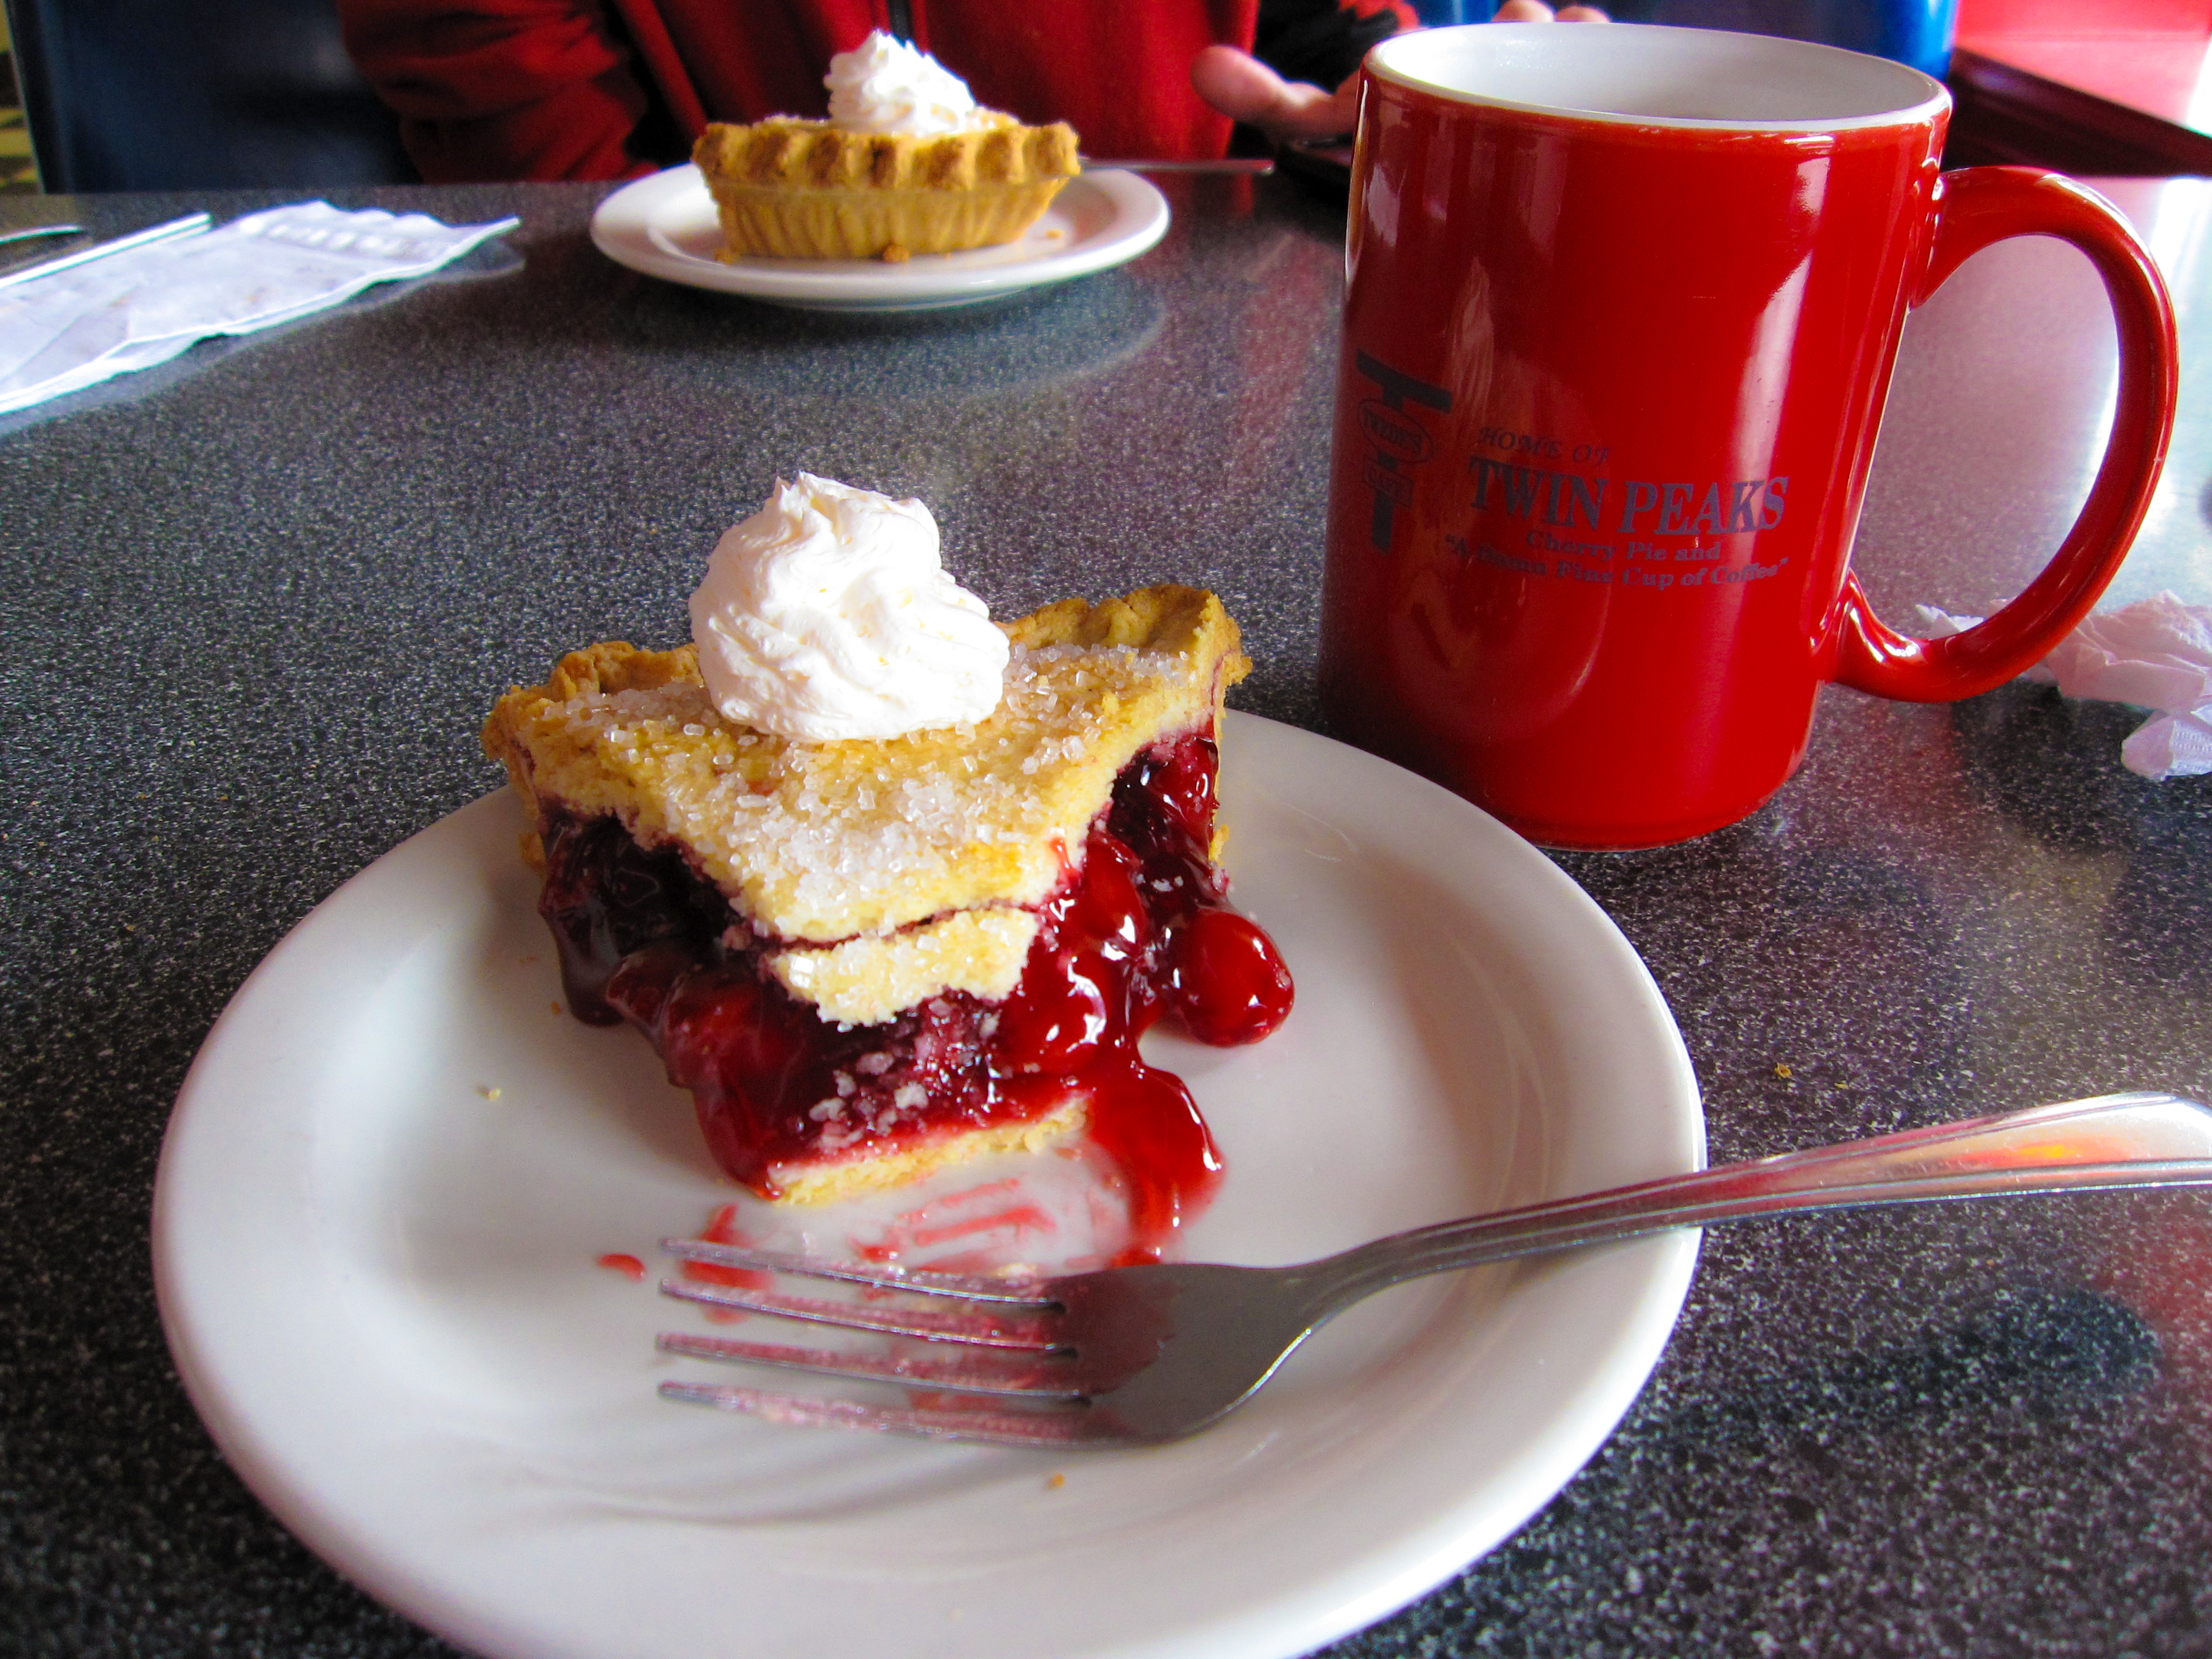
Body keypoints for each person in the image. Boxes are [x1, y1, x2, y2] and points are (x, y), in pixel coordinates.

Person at [338, 0, 1604, 184]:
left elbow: (1324, 32)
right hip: (699, 350)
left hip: (1172, 346)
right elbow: (474, 49)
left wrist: (1409, 84)